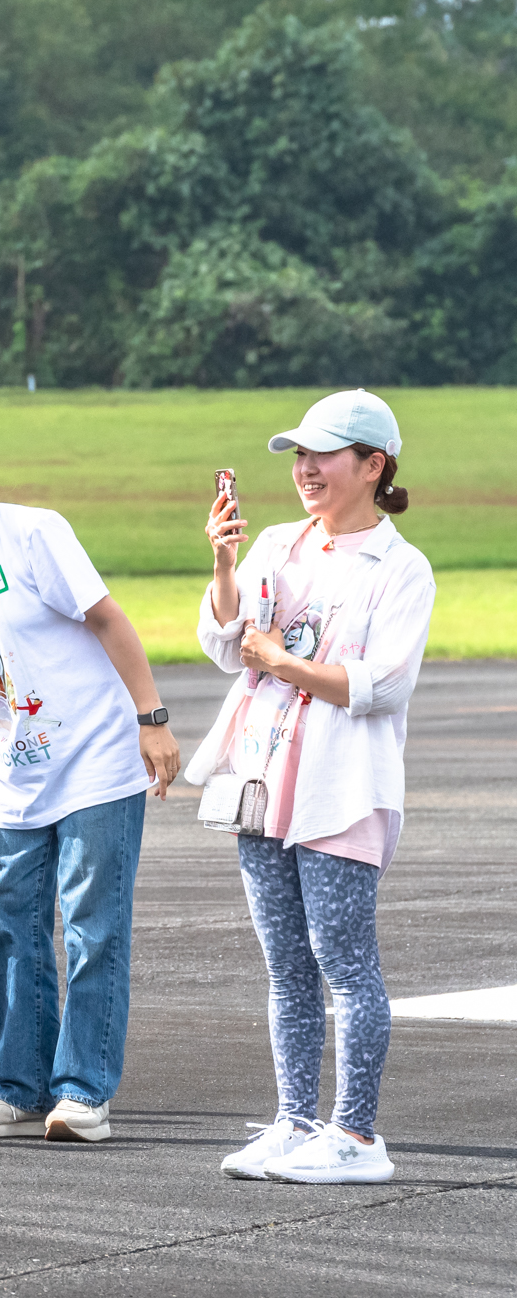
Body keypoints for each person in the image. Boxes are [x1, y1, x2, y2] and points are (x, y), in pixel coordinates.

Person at [0, 415, 181, 1146]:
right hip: (16, 774)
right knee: (14, 931)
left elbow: (108, 619)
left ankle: (82, 1092)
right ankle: (20, 1089)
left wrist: (153, 716)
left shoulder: (30, 533)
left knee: (91, 927)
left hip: (96, 761)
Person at [194, 390, 433, 1186]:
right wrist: (226, 564)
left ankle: (358, 1136)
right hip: (264, 780)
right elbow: (229, 643)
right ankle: (296, 1121)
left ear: (373, 466)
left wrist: (284, 662)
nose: (305, 469)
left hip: (342, 788)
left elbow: (382, 685)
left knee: (345, 962)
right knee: (286, 966)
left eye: (323, 454)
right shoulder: (276, 543)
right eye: (299, 454)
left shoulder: (401, 568)